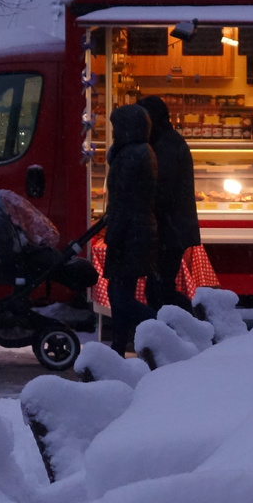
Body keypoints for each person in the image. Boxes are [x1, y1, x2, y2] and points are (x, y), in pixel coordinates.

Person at [104, 103, 162, 354]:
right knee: (120, 292)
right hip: (138, 230)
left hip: (129, 233)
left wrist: (113, 236)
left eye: (116, 127)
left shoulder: (129, 156)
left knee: (120, 296)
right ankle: (118, 345)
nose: (114, 132)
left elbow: (123, 202)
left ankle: (164, 327)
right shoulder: (141, 152)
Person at [136, 95, 199, 310]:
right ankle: (191, 321)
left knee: (160, 289)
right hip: (174, 228)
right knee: (161, 287)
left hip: (170, 228)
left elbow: (162, 189)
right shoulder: (168, 141)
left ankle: (195, 320)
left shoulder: (166, 145)